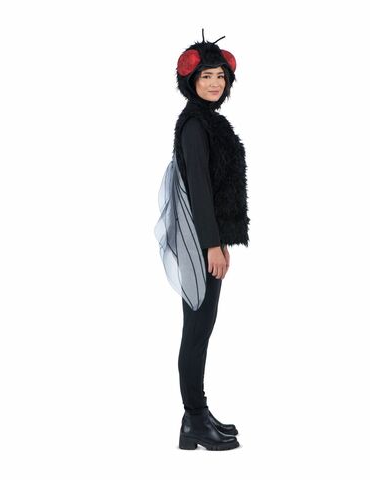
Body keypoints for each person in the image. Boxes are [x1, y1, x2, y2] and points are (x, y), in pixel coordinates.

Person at [170, 29, 250, 451]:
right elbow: (199, 188)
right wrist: (212, 245)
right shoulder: (195, 125)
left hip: (208, 239)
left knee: (202, 327)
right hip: (200, 242)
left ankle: (198, 415)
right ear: (192, 81)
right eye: (206, 76)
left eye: (220, 76)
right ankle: (194, 420)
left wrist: (219, 241)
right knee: (197, 329)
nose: (215, 83)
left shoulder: (208, 122)